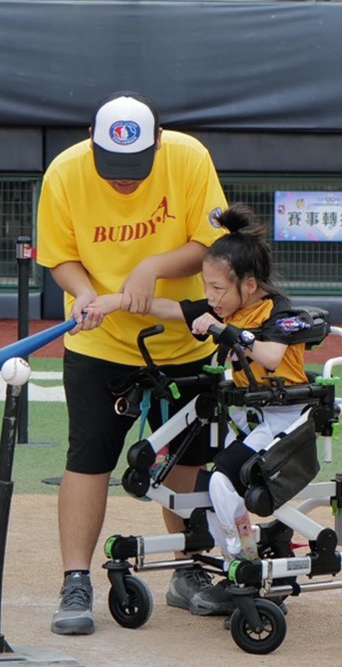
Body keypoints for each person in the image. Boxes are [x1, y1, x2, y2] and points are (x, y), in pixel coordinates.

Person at [36, 91, 229, 635]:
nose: (124, 181)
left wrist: (152, 267)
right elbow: (60, 255)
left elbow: (211, 240)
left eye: (135, 169)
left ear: (159, 143)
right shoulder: (66, 171)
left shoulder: (189, 157)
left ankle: (189, 571)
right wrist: (83, 294)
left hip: (184, 337)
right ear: (93, 145)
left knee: (186, 460)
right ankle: (76, 580)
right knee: (88, 457)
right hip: (100, 345)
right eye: (113, 168)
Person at [88, 203, 313, 576]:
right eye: (206, 286)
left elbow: (272, 356)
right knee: (208, 489)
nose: (210, 296)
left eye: (217, 288)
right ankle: (237, 553)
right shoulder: (227, 310)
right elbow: (166, 309)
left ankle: (244, 558)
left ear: (250, 285)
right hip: (247, 417)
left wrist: (222, 330)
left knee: (224, 483)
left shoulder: (281, 313)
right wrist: (116, 301)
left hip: (283, 417)